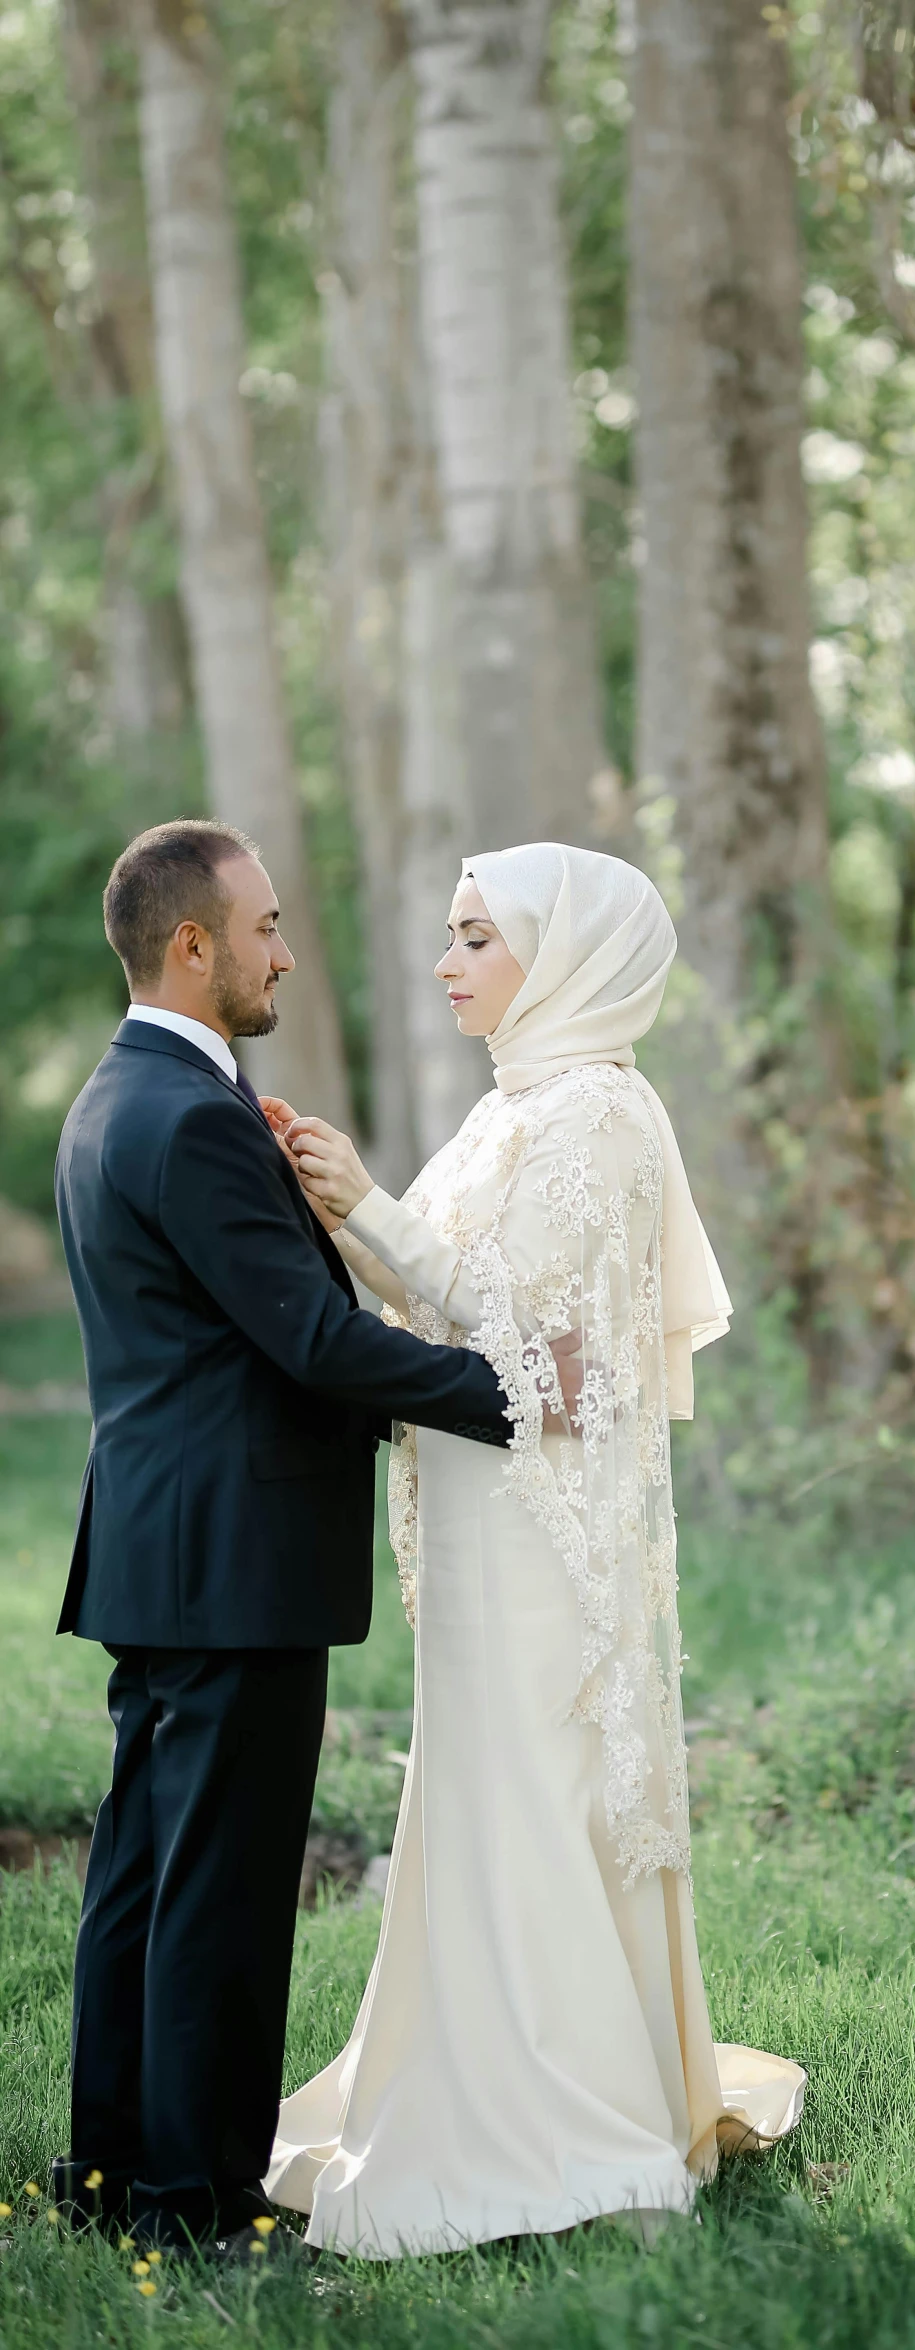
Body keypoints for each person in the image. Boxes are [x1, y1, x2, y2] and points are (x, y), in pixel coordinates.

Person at [265, 841, 804, 2256]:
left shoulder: (604, 1118)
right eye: (448, 937)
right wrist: (343, 1203)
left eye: (472, 938)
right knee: (480, 1785)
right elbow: (458, 1299)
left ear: (562, 956)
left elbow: (537, 1345)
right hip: (474, 1502)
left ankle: (565, 2110)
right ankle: (473, 2066)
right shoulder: (509, 1113)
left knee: (530, 1783)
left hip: (538, 1530)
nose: (447, 962)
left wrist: (369, 1205)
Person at [52, 820, 516, 2257]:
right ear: (190, 944)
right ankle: (195, 2206)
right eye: (260, 928)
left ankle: (113, 2169)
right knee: (222, 1892)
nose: (283, 952)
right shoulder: (187, 1113)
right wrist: (511, 1389)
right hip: (229, 1557)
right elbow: (311, 1341)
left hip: (167, 1547)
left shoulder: (118, 1096)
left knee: (146, 1870)